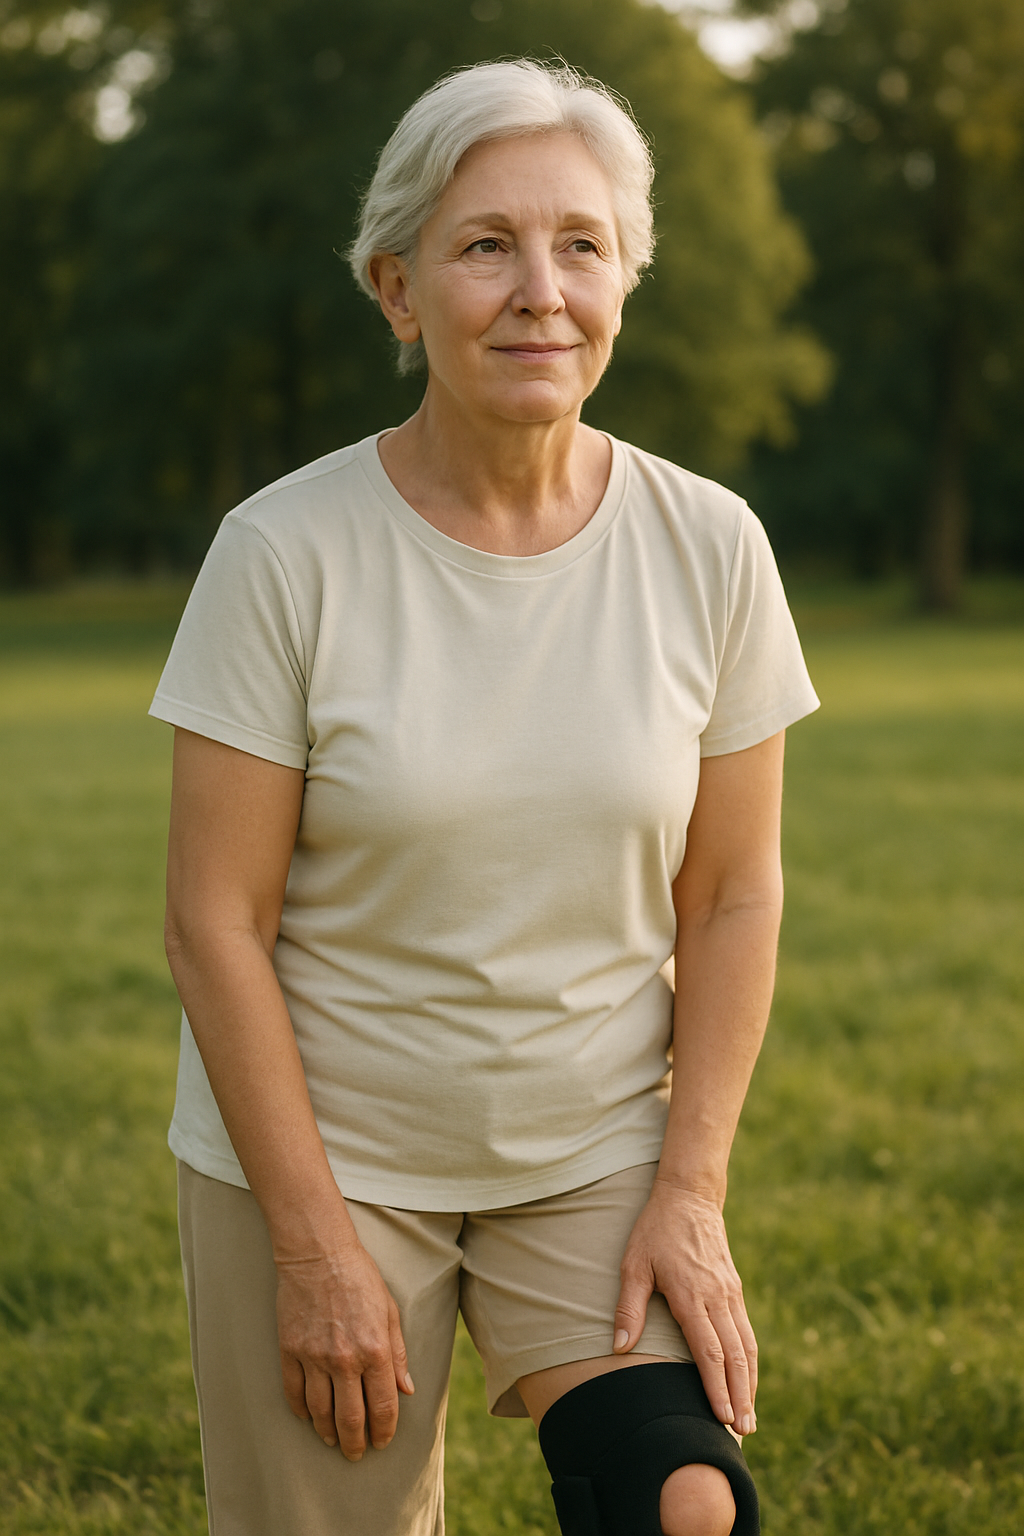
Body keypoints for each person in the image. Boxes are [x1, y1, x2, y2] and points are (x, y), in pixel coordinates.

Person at [151, 59, 819, 1536]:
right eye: (484, 245)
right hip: (324, 1157)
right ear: (397, 291)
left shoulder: (711, 547)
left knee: (686, 1504)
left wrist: (689, 1193)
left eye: (581, 244)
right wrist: (317, 1251)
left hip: (587, 1146)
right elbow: (213, 921)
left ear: (626, 279)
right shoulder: (284, 554)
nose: (540, 291)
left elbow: (733, 893)